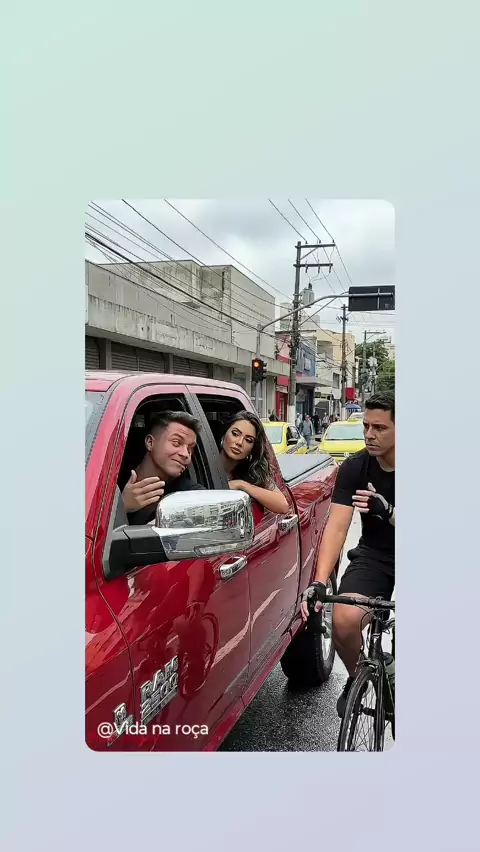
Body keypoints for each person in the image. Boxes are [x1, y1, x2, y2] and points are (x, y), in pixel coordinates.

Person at [301, 391, 395, 717]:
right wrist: (319, 581)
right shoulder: (356, 467)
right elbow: (337, 526)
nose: (370, 434)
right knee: (342, 621)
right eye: (366, 426)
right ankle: (359, 677)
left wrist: (390, 512)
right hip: (375, 555)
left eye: (380, 428)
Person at [122, 411, 204, 525]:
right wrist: (121, 506)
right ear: (150, 443)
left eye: (190, 449)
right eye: (176, 443)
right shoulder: (111, 481)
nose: (186, 454)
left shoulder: (190, 495)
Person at [220, 410, 289, 514]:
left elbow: (283, 506)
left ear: (252, 448)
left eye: (248, 440)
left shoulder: (252, 472)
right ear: (224, 434)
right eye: (235, 434)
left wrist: (242, 485)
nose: (239, 442)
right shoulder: (202, 466)